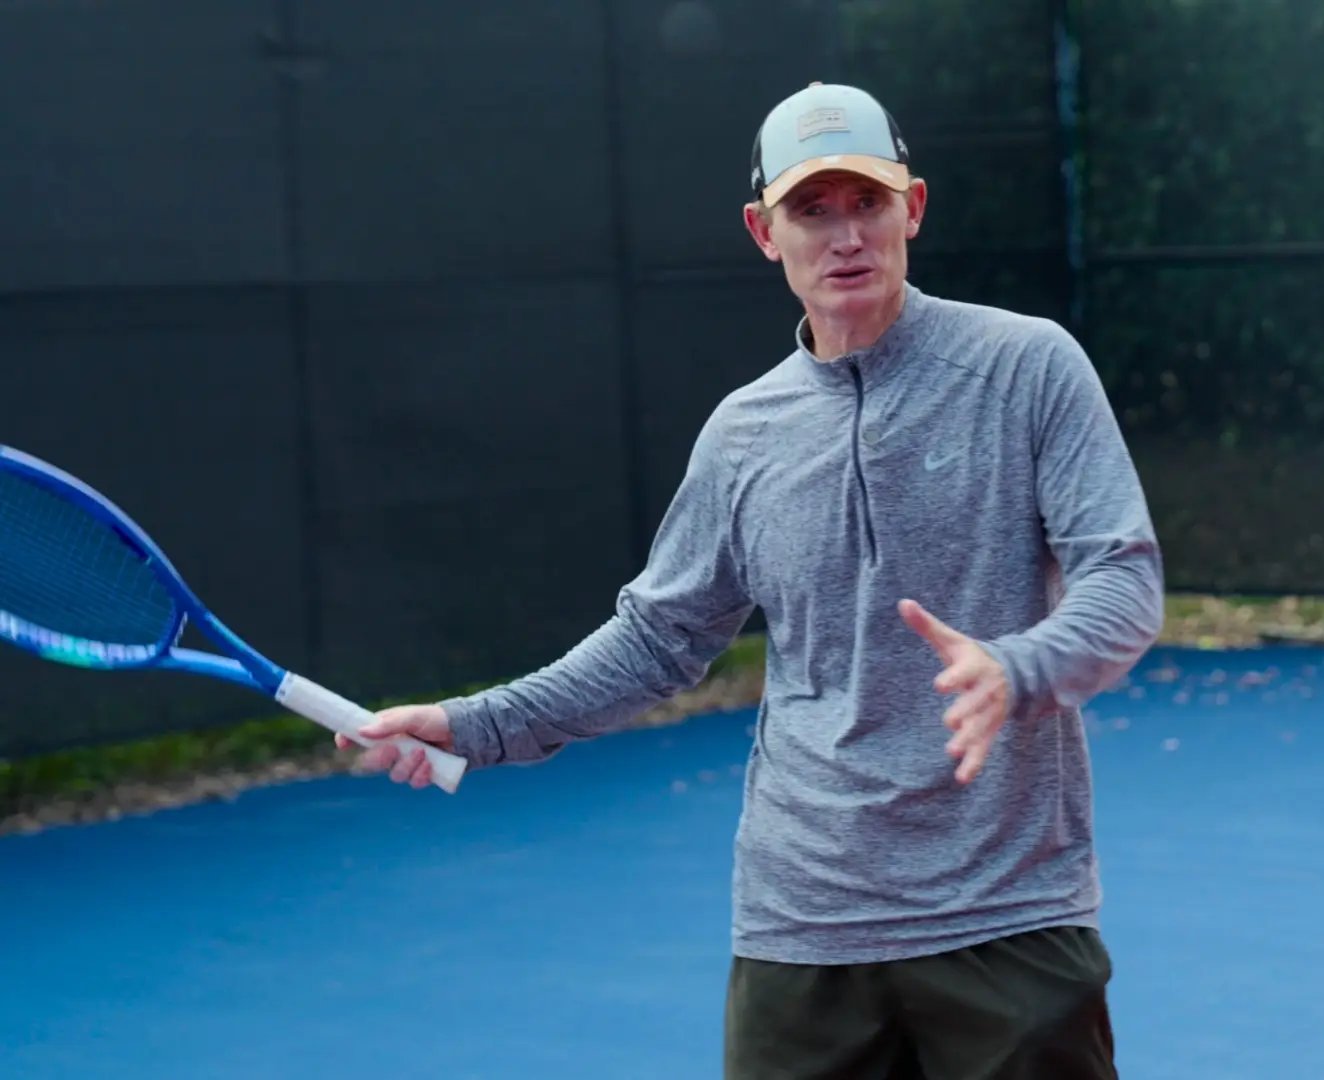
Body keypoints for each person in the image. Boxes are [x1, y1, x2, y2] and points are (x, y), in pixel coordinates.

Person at [339, 81, 1164, 1079]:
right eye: (811, 210)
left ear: (914, 207)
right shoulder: (742, 437)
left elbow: (1122, 582)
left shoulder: (1029, 368)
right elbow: (657, 639)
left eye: (866, 201)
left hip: (1007, 919)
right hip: (801, 934)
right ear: (763, 232)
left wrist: (1014, 668)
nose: (844, 235)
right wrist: (475, 722)